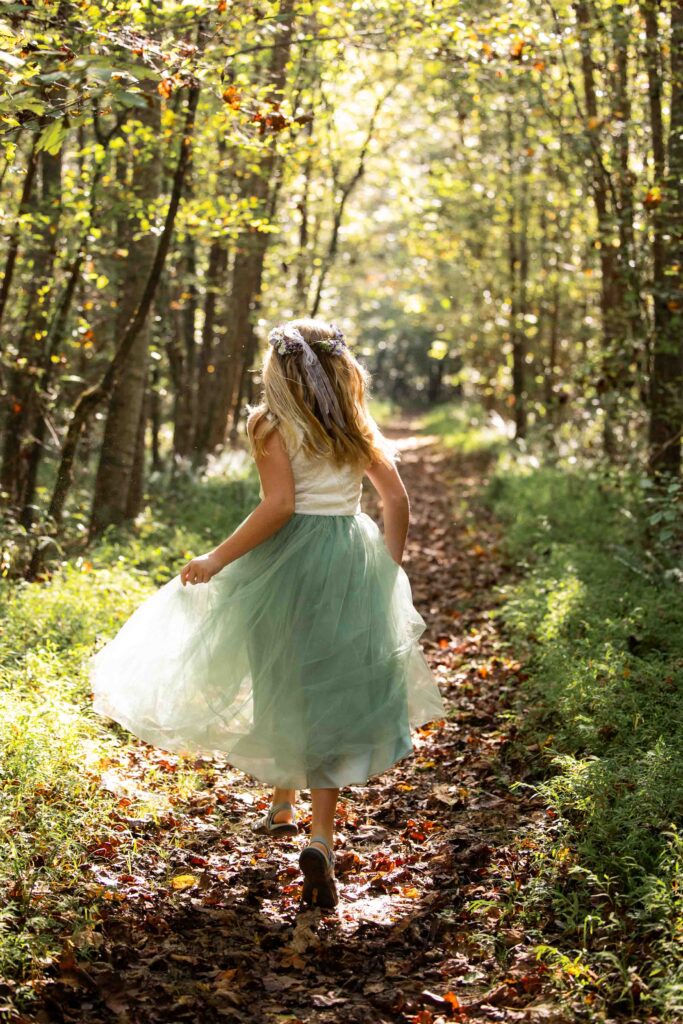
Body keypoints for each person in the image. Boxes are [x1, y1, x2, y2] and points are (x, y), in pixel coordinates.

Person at [90, 317, 445, 910]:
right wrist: (388, 569)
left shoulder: (269, 424)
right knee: (329, 687)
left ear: (279, 371)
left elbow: (278, 506)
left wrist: (217, 557)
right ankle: (321, 836)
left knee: (281, 671)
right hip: (348, 561)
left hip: (285, 563)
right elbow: (396, 500)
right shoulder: (354, 425)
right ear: (338, 368)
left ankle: (283, 800)